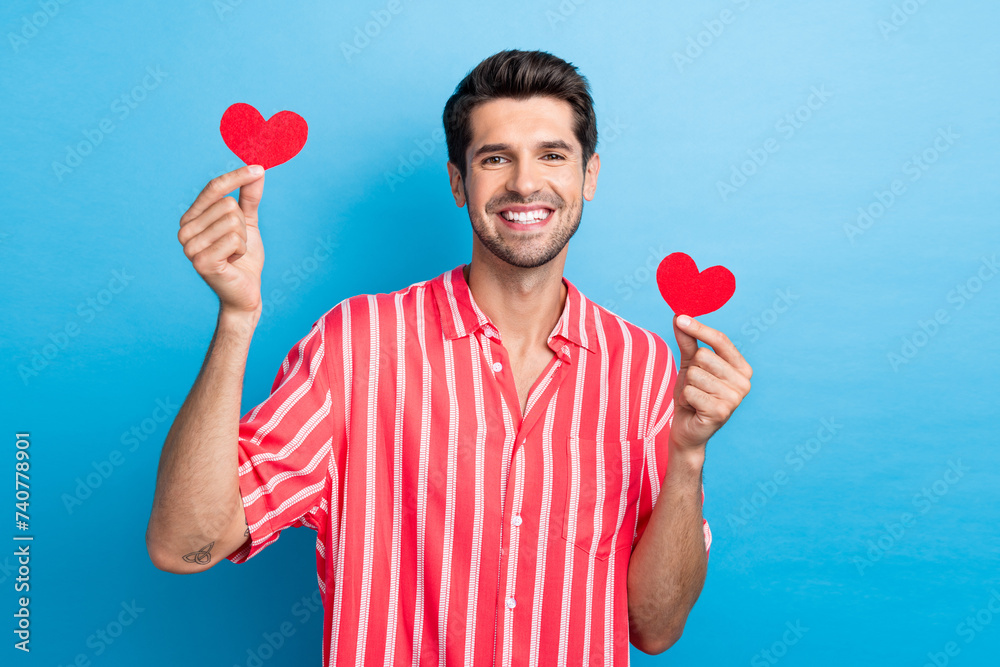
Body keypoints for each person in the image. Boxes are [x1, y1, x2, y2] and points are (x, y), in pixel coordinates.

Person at [146, 49, 752, 665]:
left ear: (588, 176)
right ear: (459, 182)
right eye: (495, 158)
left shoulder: (645, 367)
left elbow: (655, 628)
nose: (524, 182)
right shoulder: (355, 346)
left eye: (552, 154)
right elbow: (184, 544)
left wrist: (689, 455)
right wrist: (237, 317)